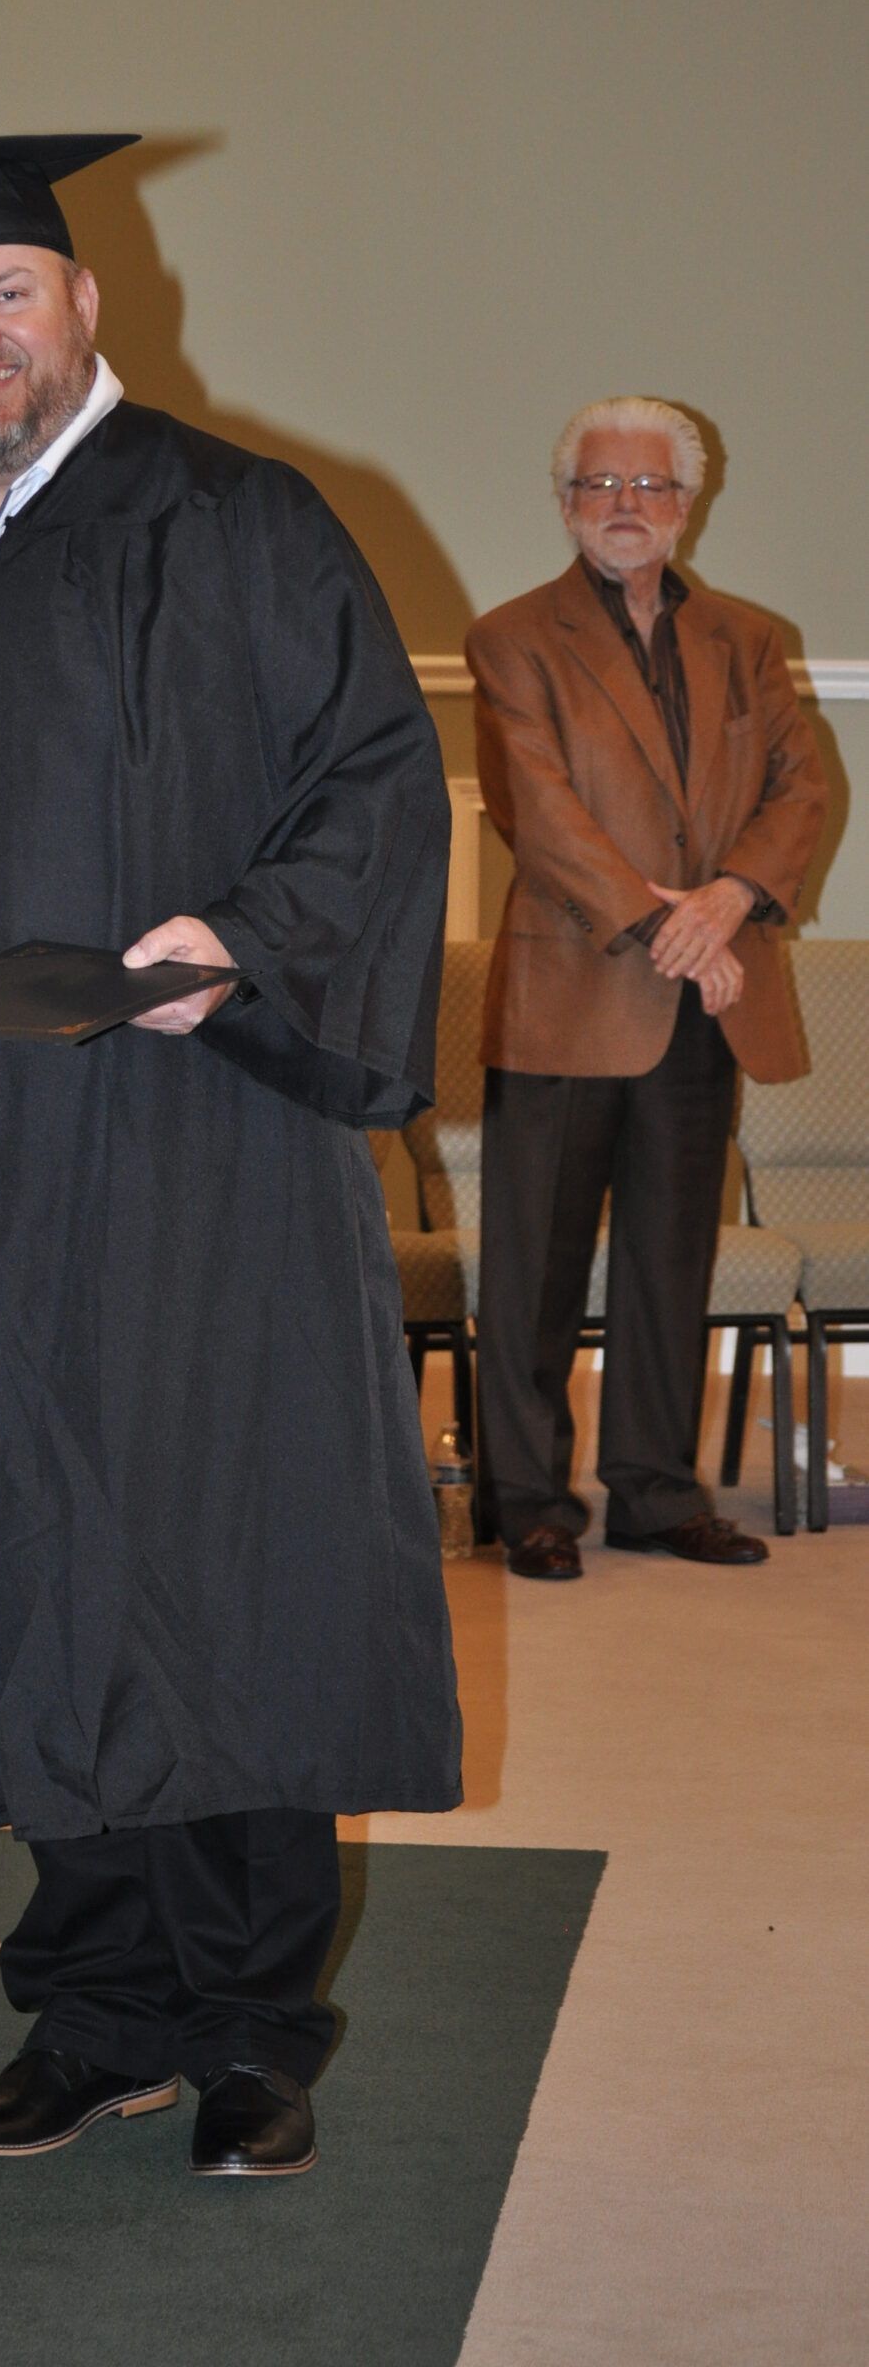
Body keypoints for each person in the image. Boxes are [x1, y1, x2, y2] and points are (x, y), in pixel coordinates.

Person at [0, 136, 461, 2178]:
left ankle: (254, 2021)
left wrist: (238, 942)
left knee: (215, 1575)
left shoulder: (237, 521)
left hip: (189, 1142)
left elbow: (373, 777)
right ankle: (91, 2006)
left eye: (5, 293)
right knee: (20, 1576)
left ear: (86, 309)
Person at [468, 396, 826, 1581]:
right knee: (535, 1266)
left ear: (687, 503)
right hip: (568, 992)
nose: (626, 507)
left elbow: (799, 792)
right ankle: (524, 1497)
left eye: (649, 488)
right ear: (564, 502)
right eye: (601, 487)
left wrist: (726, 898)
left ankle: (655, 1493)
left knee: (672, 1258)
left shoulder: (746, 638)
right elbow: (539, 813)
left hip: (702, 997)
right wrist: (663, 922)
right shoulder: (511, 637)